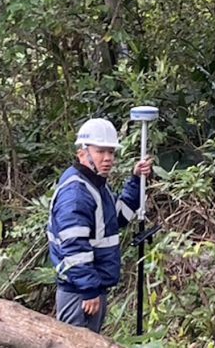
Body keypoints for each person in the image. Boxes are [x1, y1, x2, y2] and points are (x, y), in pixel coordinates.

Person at [47, 117, 154, 334]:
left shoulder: (96, 186)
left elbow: (120, 216)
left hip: (92, 287)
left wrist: (136, 181)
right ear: (82, 153)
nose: (107, 159)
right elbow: (74, 247)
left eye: (111, 152)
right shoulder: (76, 193)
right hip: (79, 292)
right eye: (100, 152)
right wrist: (89, 290)